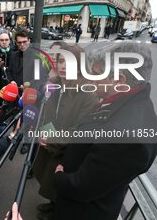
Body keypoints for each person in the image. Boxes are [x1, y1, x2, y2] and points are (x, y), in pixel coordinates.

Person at [53, 43, 157, 220]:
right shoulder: (125, 101)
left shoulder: (127, 135)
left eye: (96, 74)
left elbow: (83, 187)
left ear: (119, 80)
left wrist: (59, 177)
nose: (91, 78)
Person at [33, 42, 98, 220]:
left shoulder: (87, 93)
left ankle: (57, 211)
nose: (62, 66)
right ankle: (53, 204)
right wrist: (42, 130)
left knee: (60, 183)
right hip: (50, 143)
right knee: (48, 178)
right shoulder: (54, 85)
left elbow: (80, 131)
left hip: (66, 150)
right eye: (61, 61)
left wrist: (52, 139)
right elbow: (47, 113)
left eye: (69, 62)